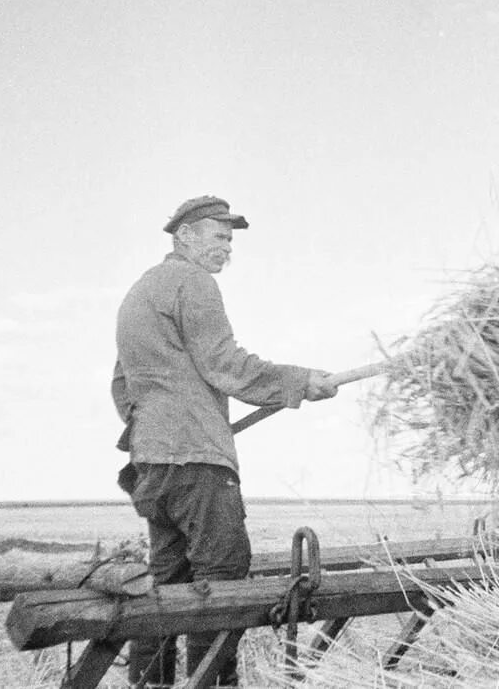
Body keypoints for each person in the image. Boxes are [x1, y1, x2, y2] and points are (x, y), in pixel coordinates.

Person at [112, 195, 338, 687]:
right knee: (223, 579)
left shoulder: (139, 292)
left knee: (165, 586)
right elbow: (224, 364)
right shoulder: (193, 283)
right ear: (184, 236)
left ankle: (150, 684)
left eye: (230, 239)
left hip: (153, 465)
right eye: (218, 235)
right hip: (198, 462)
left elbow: (122, 386)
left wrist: (157, 426)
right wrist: (300, 383)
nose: (226, 246)